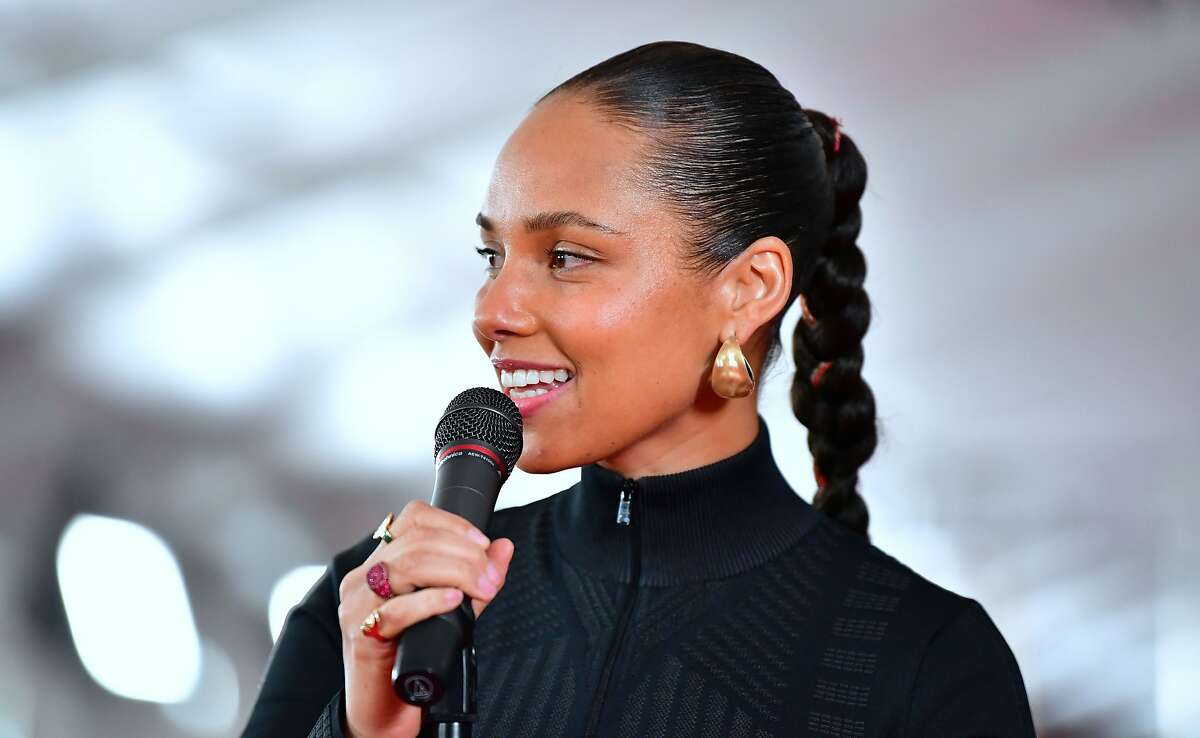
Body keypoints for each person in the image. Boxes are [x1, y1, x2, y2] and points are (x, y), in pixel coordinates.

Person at [242, 40, 1036, 738]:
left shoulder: (926, 665)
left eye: (566, 256)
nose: (491, 313)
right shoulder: (374, 609)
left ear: (750, 287)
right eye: (493, 257)